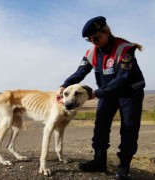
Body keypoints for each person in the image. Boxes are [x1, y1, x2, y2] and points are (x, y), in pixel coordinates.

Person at [57, 16, 145, 180]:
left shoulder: (124, 49)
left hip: (129, 93)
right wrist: (64, 85)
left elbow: (122, 79)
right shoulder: (92, 52)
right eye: (89, 40)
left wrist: (96, 93)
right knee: (101, 126)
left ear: (106, 32)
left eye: (96, 38)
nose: (93, 42)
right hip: (108, 93)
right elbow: (80, 73)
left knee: (129, 128)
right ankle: (99, 162)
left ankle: (124, 166)